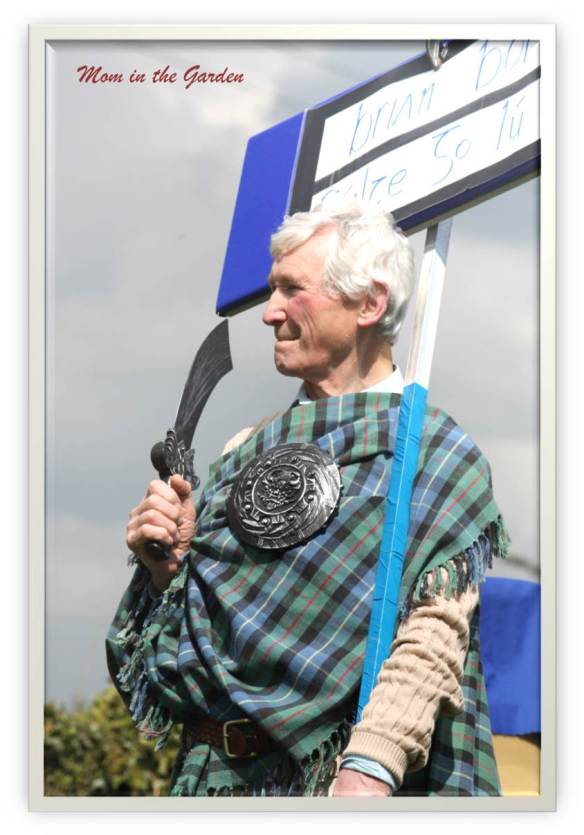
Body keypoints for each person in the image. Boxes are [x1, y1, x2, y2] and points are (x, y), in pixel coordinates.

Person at [107, 200, 509, 798]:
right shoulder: (246, 446)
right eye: (272, 290)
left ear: (369, 304)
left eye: (292, 290)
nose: (269, 312)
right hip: (208, 781)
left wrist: (371, 766)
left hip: (333, 781)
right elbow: (198, 639)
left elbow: (433, 636)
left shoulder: (433, 453)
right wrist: (170, 570)